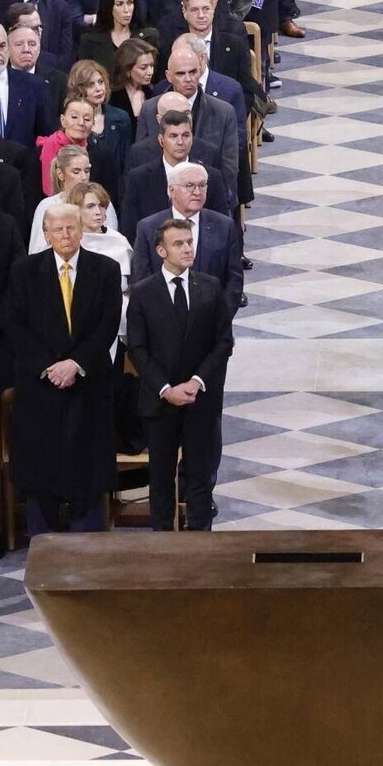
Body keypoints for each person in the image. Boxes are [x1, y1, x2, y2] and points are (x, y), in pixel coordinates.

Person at [2, 202, 124, 534]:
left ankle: (89, 543)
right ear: (46, 234)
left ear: (81, 229)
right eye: (58, 229)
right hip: (41, 386)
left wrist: (75, 363)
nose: (66, 235)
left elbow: (107, 324)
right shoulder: (24, 271)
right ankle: (44, 543)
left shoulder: (106, 270)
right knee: (41, 468)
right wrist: (50, 366)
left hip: (88, 383)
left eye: (71, 227)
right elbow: (15, 325)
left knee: (87, 466)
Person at [127, 217, 235, 533]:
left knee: (200, 477)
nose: (187, 248)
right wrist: (165, 388)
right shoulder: (143, 293)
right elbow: (137, 347)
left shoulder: (211, 287)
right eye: (178, 243)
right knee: (160, 477)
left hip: (200, 400)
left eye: (189, 242)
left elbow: (223, 342)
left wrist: (196, 382)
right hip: (160, 402)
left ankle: (201, 543)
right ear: (161, 250)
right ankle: (162, 547)